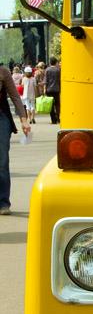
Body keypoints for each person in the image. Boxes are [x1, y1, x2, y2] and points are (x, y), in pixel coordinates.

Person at [0, 65, 31, 215]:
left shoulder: (3, 71)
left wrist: (24, 120)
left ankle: (3, 202)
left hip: (1, 119)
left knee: (2, 161)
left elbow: (15, 97)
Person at [44, 57, 61, 125]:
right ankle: (58, 118)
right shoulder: (58, 70)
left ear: (50, 62)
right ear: (56, 62)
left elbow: (46, 81)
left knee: (50, 105)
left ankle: (53, 120)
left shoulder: (47, 70)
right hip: (57, 89)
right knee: (57, 104)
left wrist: (44, 89)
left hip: (49, 90)